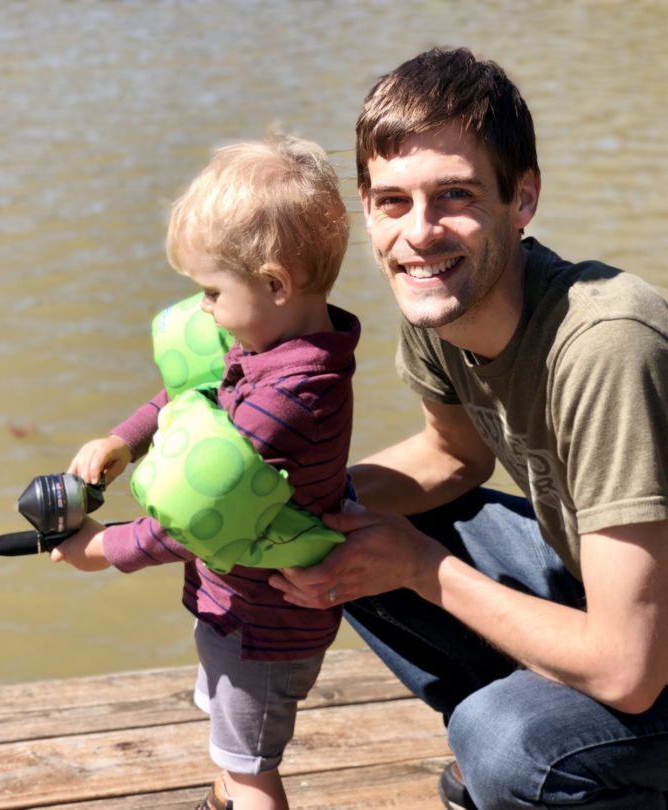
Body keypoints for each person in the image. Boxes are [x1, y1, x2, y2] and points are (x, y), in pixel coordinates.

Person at [269, 47, 668, 809]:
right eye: (392, 202)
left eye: (454, 195)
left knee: (505, 742)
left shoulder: (610, 344)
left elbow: (629, 668)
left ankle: (556, 752)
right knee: (332, 524)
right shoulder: (441, 298)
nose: (419, 234)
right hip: (617, 591)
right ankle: (565, 740)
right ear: (365, 205)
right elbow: (453, 456)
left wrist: (423, 567)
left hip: (644, 644)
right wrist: (292, 498)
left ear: (523, 200)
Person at [51, 135, 359, 810]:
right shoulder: (267, 345)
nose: (204, 311)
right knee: (226, 734)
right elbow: (186, 395)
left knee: (250, 766)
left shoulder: (294, 395)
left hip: (267, 621)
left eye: (212, 292)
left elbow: (199, 519)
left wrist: (100, 550)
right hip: (233, 607)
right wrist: (124, 441)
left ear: (275, 283)